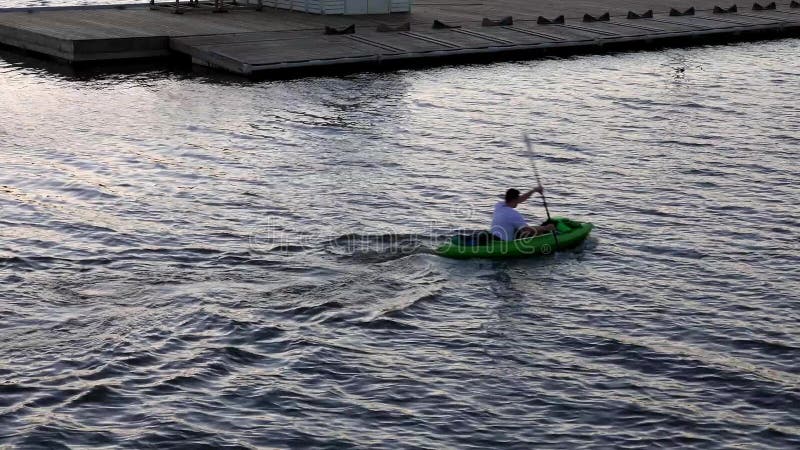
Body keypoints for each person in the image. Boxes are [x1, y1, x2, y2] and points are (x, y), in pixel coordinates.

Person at [491, 187, 556, 241]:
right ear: (515, 199)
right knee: (533, 231)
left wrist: (534, 190)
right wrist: (545, 228)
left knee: (520, 229)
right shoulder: (513, 214)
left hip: (495, 238)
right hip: (505, 243)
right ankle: (547, 236)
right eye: (518, 198)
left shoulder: (499, 205)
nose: (519, 200)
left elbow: (520, 199)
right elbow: (527, 229)